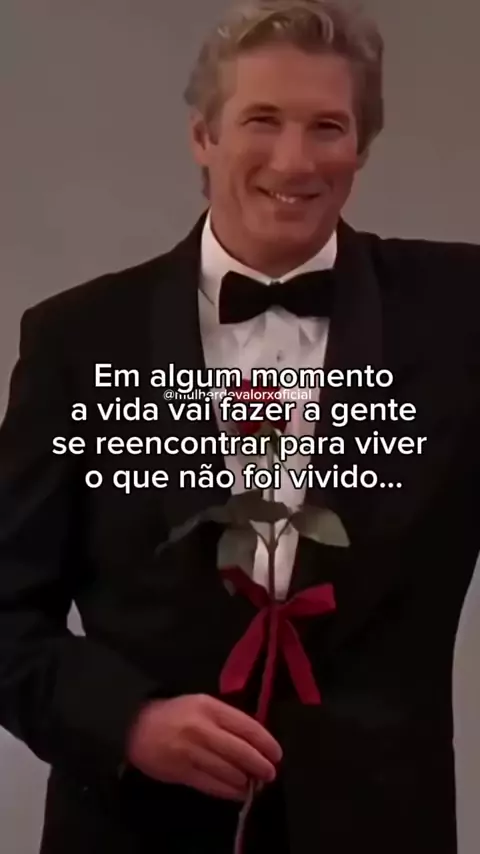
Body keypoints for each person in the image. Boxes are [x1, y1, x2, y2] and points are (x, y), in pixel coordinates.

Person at [0, 1, 479, 852]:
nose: (295, 160)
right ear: (203, 136)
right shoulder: (77, 339)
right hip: (134, 831)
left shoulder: (461, 314)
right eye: (263, 120)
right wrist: (128, 721)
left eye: (328, 126)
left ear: (361, 147)